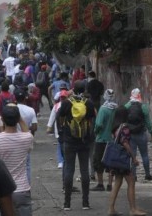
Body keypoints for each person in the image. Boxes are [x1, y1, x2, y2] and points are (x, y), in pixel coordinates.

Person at [0, 104, 34, 216]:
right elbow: (27, 132)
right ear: (18, 119)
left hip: (2, 191)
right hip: (22, 189)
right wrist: (20, 119)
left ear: (2, 119)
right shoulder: (27, 138)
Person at [58, 80, 96, 211]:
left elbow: (60, 116)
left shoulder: (67, 103)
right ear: (84, 89)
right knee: (84, 170)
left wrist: (62, 133)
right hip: (84, 141)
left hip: (69, 140)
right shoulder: (89, 103)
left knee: (69, 170)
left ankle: (67, 203)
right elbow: (92, 118)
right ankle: (85, 203)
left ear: (73, 89)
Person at [107, 106, 146, 216]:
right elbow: (125, 143)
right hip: (123, 161)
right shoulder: (124, 128)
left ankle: (111, 209)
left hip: (116, 161)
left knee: (117, 183)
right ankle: (133, 209)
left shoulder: (115, 128)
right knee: (131, 181)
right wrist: (133, 157)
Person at [125, 88, 152, 181]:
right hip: (141, 133)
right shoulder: (143, 106)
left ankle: (133, 175)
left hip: (131, 134)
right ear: (139, 95)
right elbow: (148, 122)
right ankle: (147, 175)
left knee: (133, 155)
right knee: (145, 155)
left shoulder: (127, 105)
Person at [92, 89, 118, 192]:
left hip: (101, 139)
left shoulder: (103, 109)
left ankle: (100, 183)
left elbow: (98, 124)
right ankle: (110, 184)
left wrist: (96, 131)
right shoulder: (115, 108)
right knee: (110, 162)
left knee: (98, 161)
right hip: (111, 139)